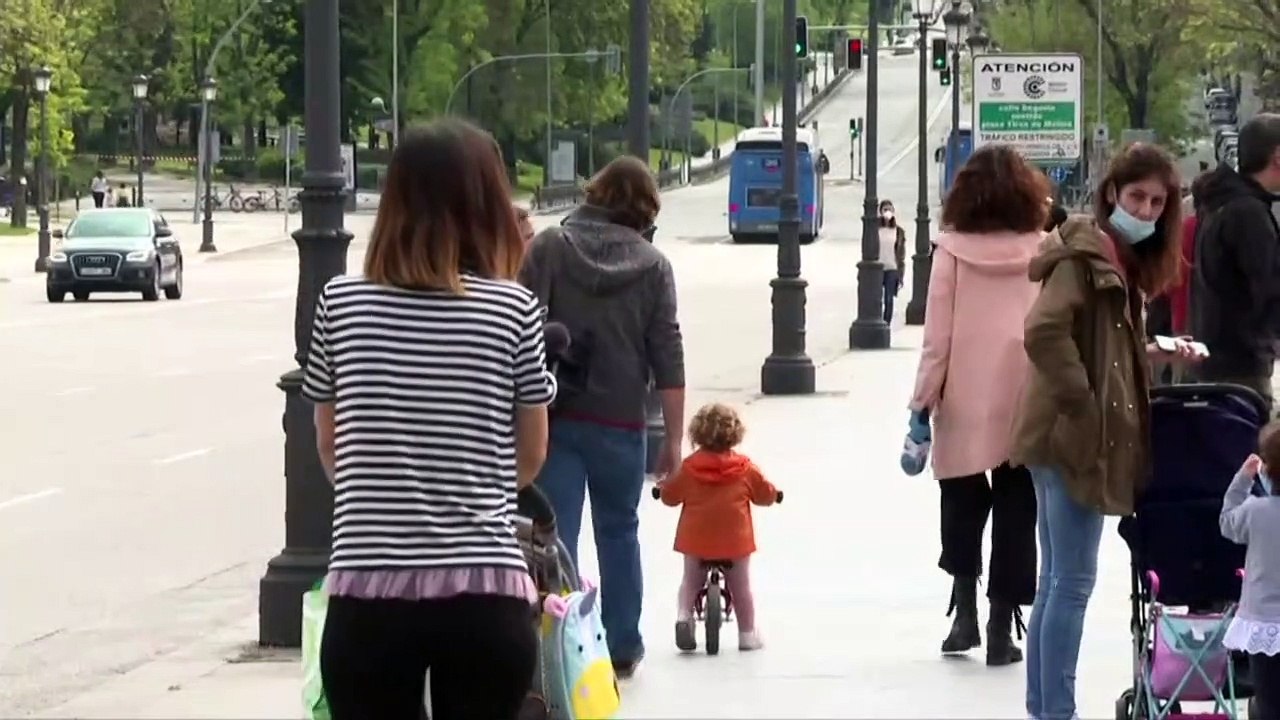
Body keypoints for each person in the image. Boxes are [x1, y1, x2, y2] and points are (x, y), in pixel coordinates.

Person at [303, 118, 555, 720]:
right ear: (488, 206)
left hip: (367, 591)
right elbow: (531, 454)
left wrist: (385, 494)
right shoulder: (513, 309)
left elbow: (331, 444)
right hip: (485, 590)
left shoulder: (340, 303)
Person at [1010, 143, 1202, 720]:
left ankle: (1046, 709)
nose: (1144, 211)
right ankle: (1056, 712)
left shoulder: (1111, 256)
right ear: (1112, 192)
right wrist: (1086, 405)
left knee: (1055, 583)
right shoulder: (1088, 254)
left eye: (1156, 202)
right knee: (1071, 583)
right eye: (1137, 197)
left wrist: (1153, 353)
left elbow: (1099, 345)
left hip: (1058, 434)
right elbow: (1044, 331)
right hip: (1071, 437)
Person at [520, 155, 686, 677]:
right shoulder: (654, 265)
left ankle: (556, 640)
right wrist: (674, 440)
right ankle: (622, 643)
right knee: (620, 531)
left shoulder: (549, 246)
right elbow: (668, 356)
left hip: (556, 416)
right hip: (621, 422)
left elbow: (520, 325)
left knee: (555, 534)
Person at [908, 144, 1046, 667]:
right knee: (1019, 506)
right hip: (1027, 393)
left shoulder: (951, 251)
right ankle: (1000, 624)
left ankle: (963, 610)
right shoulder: (1044, 248)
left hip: (964, 394)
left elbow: (937, 337)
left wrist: (923, 399)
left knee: (961, 501)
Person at [656, 403, 780, 653]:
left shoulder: (689, 469)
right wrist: (776, 495)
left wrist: (662, 490)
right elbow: (764, 494)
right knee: (741, 587)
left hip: (696, 540)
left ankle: (683, 616)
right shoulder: (745, 468)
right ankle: (747, 634)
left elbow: (671, 496)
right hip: (735, 541)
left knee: (690, 582)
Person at [1190, 114, 1280, 407]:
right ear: (1277, 156)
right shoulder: (1249, 213)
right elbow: (1268, 288)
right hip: (1242, 369)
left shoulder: (1222, 203)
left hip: (1218, 359)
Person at [1220, 426, 1280, 720]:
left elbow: (1226, 521)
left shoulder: (1255, 511)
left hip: (1263, 624)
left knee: (1269, 700)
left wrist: (1243, 478)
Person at [878, 199, 907, 323]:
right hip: (877, 269)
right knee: (876, 299)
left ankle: (886, 323)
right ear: (880, 212)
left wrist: (900, 275)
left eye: (890, 210)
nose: (887, 212)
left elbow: (901, 255)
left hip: (892, 269)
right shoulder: (875, 229)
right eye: (885, 210)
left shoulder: (898, 231)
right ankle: (877, 321)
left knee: (889, 299)